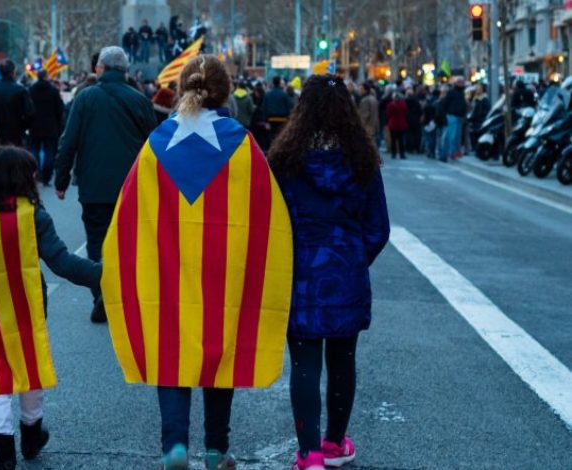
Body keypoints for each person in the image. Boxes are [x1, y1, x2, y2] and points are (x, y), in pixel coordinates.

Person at [100, 55, 293, 470]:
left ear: (183, 88)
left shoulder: (156, 145)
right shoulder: (242, 144)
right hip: (223, 273)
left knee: (171, 349)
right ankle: (216, 449)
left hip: (168, 269)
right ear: (223, 92)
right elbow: (267, 217)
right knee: (219, 353)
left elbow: (130, 216)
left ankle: (174, 446)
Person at [268, 74, 390, 470]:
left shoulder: (285, 161)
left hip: (301, 272)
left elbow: (270, 221)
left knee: (304, 363)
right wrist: (354, 256)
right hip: (346, 271)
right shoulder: (362, 160)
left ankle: (308, 454)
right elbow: (378, 227)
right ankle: (336, 443)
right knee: (343, 359)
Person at [0, 146, 100, 470]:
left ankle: (3, 454)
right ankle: (32, 434)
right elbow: (62, 262)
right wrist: (106, 276)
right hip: (27, 306)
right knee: (28, 367)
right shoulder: (33, 216)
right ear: (22, 178)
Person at [54, 46, 157, 323]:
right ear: (124, 70)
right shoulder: (139, 100)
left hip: (94, 185)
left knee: (97, 242)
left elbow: (69, 141)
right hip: (131, 187)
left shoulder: (85, 98)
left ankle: (101, 291)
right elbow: (154, 145)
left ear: (100, 68)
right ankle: (121, 293)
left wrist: (61, 179)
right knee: (127, 242)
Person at [0, 60, 34, 147]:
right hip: (16, 134)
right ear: (13, 72)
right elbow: (29, 113)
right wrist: (23, 127)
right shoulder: (21, 90)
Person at [29, 69, 65, 185]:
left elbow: (27, 108)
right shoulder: (53, 91)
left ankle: (37, 171)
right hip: (50, 126)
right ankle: (47, 175)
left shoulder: (31, 90)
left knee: (34, 149)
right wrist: (60, 125)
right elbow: (60, 109)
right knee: (49, 151)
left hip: (34, 125)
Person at [438, 76, 468, 160]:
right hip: (452, 116)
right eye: (460, 82)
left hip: (459, 116)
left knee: (456, 136)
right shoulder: (452, 92)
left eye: (462, 82)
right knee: (451, 136)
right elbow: (444, 103)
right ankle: (449, 153)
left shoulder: (461, 92)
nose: (462, 84)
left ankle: (453, 152)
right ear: (456, 83)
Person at [262, 75, 293, 151]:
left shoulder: (268, 94)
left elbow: (264, 108)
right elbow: (289, 107)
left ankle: (272, 150)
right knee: (281, 136)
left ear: (273, 83)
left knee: (271, 137)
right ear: (279, 83)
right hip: (283, 120)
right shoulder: (284, 94)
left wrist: (265, 121)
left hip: (271, 119)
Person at [468, 83, 490, 153]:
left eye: (479, 88)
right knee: (473, 134)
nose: (477, 89)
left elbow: (485, 110)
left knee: (478, 135)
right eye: (476, 88)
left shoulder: (484, 99)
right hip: (474, 120)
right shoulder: (475, 98)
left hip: (480, 120)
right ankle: (475, 149)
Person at [386, 93, 408, 159]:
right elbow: (406, 113)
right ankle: (402, 154)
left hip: (393, 124)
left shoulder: (390, 105)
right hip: (401, 124)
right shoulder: (403, 104)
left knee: (393, 140)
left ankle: (393, 154)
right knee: (401, 140)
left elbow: (388, 114)